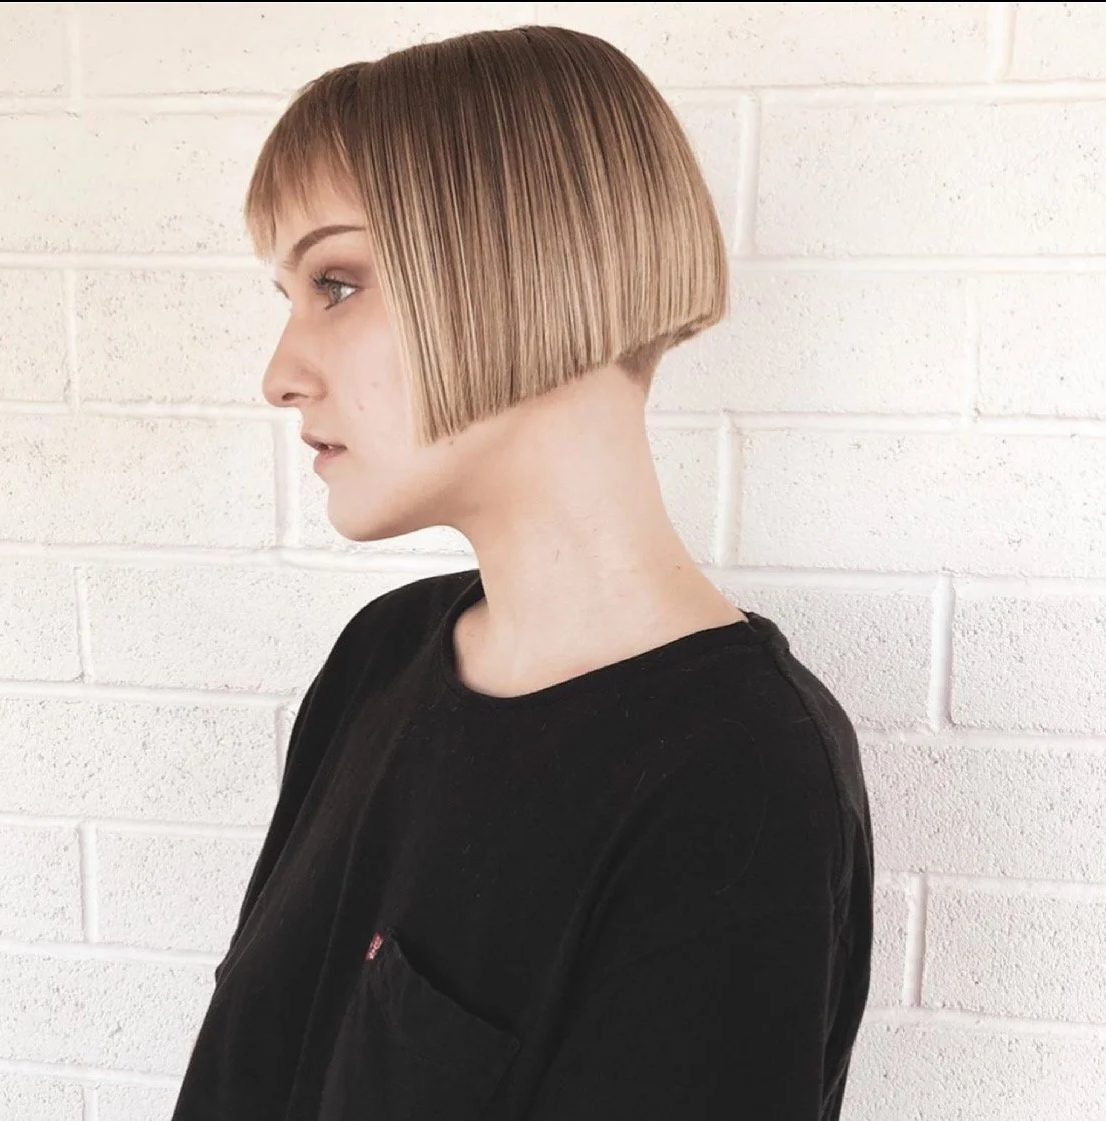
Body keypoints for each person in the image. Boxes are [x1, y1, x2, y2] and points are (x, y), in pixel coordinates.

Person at [171, 24, 874, 1121]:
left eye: (338, 282)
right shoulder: (380, 656)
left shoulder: (736, 779)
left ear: (524, 269)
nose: (280, 371)